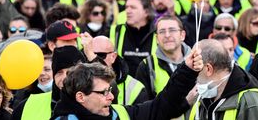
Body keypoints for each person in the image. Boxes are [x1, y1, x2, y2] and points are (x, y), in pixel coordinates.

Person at [50, 47, 203, 119]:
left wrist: (187, 70)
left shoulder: (119, 113)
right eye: (103, 92)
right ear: (81, 96)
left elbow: (161, 106)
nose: (111, 97)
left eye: (109, 90)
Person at [188, 39, 258, 120]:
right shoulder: (201, 97)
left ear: (208, 69)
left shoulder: (251, 103)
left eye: (195, 67)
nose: (192, 73)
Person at [12, 46, 86, 120]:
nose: (64, 78)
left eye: (70, 72)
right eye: (59, 72)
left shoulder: (95, 103)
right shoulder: (27, 105)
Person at [136, 15, 191, 99]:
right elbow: (144, 107)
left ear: (182, 35)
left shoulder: (198, 62)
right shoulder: (147, 66)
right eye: (162, 31)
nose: (167, 35)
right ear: (157, 38)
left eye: (172, 30)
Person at [109, 0, 156, 76]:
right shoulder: (115, 31)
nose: (128, 11)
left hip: (150, 87)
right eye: (126, 7)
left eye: (133, 7)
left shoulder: (158, 33)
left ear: (146, 12)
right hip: (123, 86)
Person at [92, 36, 148, 105]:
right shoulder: (79, 81)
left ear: (113, 56)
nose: (93, 60)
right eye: (89, 55)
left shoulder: (136, 88)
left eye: (100, 55)